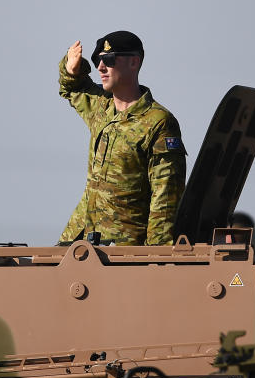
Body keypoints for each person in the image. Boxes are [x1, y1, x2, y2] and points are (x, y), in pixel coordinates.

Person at [58, 30, 186, 245]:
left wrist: (158, 256)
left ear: (134, 62)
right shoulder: (101, 107)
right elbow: (72, 87)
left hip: (123, 249)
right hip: (79, 239)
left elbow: (164, 196)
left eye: (108, 59)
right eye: (98, 61)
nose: (100, 67)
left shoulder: (158, 122)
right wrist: (71, 68)